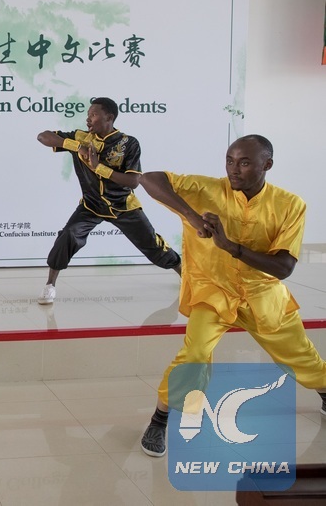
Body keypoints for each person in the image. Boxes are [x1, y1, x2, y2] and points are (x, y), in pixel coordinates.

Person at [138, 134, 326, 457]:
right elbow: (149, 178)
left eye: (244, 162)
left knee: (300, 356)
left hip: (263, 292)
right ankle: (160, 419)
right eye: (229, 160)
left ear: (267, 165)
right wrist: (192, 216)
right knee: (195, 354)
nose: (233, 169)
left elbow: (284, 267)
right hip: (214, 291)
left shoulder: (290, 205)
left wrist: (230, 247)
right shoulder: (206, 190)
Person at [35, 97, 181, 304]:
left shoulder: (129, 143)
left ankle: (185, 274)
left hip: (123, 206)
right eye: (88, 115)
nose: (88, 119)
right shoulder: (81, 137)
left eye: (93, 115)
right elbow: (43, 136)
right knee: (68, 235)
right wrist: (77, 147)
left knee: (152, 244)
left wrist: (98, 168)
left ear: (109, 117)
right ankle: (50, 285)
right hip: (91, 205)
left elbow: (133, 181)